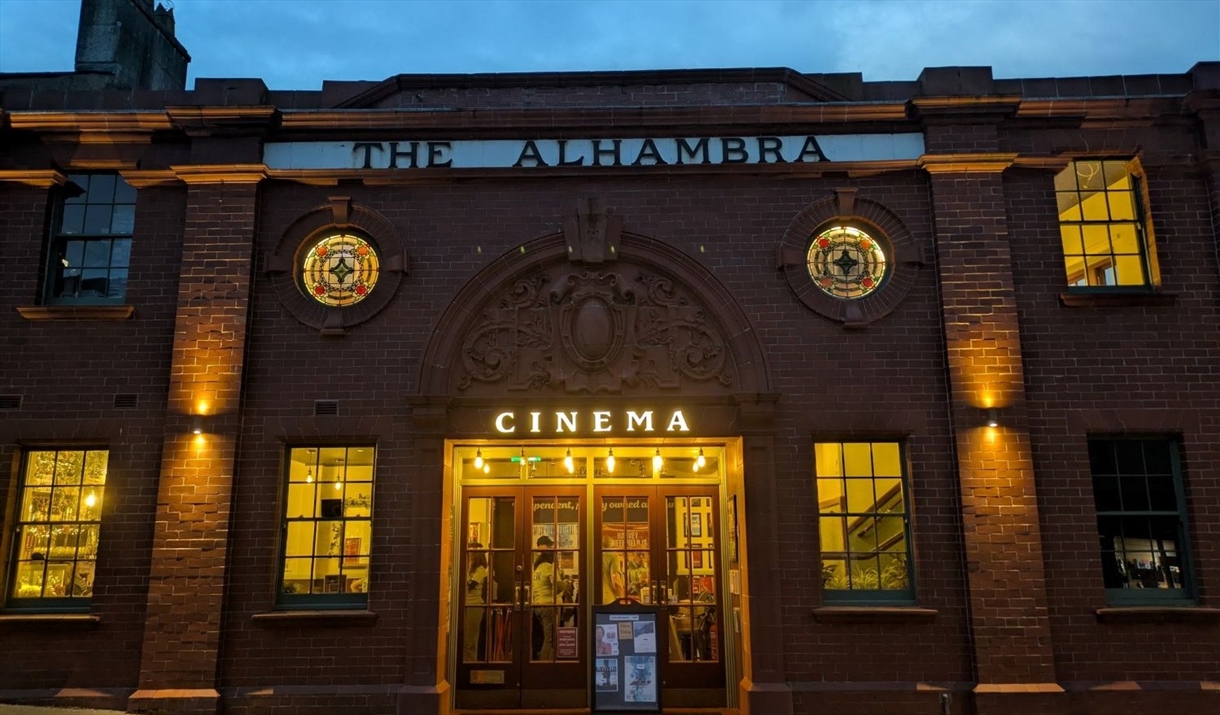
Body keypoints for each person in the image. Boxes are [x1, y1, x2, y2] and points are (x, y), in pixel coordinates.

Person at [532, 534, 556, 660]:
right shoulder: (548, 567)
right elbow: (557, 585)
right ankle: (544, 665)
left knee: (542, 637)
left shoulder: (537, 567)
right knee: (549, 639)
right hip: (548, 604)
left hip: (537, 604)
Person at [463, 544, 488, 662]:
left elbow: (471, 585)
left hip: (474, 606)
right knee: (463, 639)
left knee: (470, 640)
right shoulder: (467, 568)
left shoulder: (480, 569)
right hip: (465, 605)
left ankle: (471, 663)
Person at [601, 535, 626, 604]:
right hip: (608, 599)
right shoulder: (613, 556)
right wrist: (622, 600)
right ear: (611, 545)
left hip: (592, 599)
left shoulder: (592, 556)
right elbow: (616, 581)